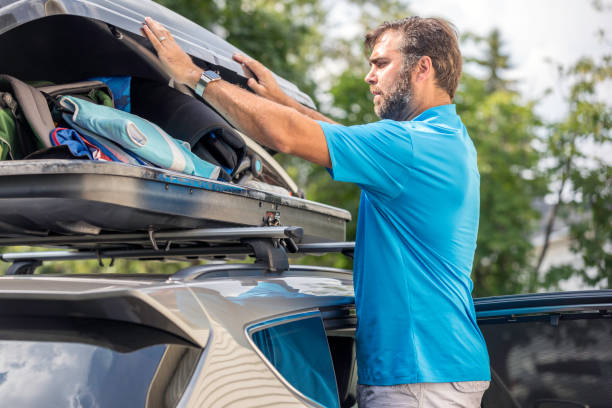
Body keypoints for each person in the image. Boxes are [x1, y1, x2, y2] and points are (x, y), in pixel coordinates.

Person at [142, 15, 491, 407]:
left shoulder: (411, 146)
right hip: (433, 370)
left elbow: (286, 135)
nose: (369, 77)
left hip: (419, 377)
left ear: (422, 67)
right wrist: (282, 101)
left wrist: (194, 76)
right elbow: (341, 138)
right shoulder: (440, 139)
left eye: (380, 63)